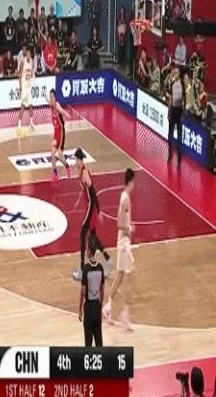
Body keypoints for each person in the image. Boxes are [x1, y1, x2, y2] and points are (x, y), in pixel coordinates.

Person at [72, 148, 113, 281]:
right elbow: (85, 190)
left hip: (91, 207)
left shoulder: (84, 172)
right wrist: (79, 200)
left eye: (76, 159)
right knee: (93, 237)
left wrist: (98, 210)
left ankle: (81, 269)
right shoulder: (81, 171)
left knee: (82, 235)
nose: (75, 162)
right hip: (89, 206)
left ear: (79, 160)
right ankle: (108, 260)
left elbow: (93, 191)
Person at [103, 169, 135, 332]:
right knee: (130, 279)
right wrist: (129, 228)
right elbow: (119, 224)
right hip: (124, 243)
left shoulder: (124, 197)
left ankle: (108, 307)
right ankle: (125, 315)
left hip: (123, 242)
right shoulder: (125, 198)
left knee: (120, 276)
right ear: (131, 181)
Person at [78, 236, 104, 347]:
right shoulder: (100, 268)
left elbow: (83, 291)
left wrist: (80, 309)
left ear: (88, 250)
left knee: (88, 342)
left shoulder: (86, 269)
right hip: (97, 306)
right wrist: (100, 306)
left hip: (88, 308)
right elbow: (102, 291)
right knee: (99, 340)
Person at [48, 89, 72, 182]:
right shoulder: (51, 104)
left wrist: (68, 115)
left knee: (60, 155)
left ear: (55, 97)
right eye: (50, 97)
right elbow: (47, 100)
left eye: (52, 97)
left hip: (61, 132)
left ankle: (67, 167)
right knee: (52, 153)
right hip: (56, 133)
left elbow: (62, 110)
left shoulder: (57, 105)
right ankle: (55, 173)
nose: (51, 98)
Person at [16, 46, 35, 136]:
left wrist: (32, 81)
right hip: (24, 86)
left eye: (29, 54)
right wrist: (20, 86)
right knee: (23, 105)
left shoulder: (31, 61)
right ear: (25, 54)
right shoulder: (23, 61)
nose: (28, 55)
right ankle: (19, 124)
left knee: (30, 105)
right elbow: (19, 74)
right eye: (27, 54)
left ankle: (31, 123)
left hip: (29, 86)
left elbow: (32, 73)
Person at [167, 67, 183, 166]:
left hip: (179, 111)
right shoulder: (172, 83)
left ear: (179, 74)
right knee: (170, 134)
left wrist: (183, 114)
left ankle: (179, 158)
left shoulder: (182, 84)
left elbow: (184, 99)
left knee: (179, 136)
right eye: (174, 72)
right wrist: (169, 112)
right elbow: (170, 98)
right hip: (173, 110)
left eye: (177, 72)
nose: (175, 74)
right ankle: (170, 154)